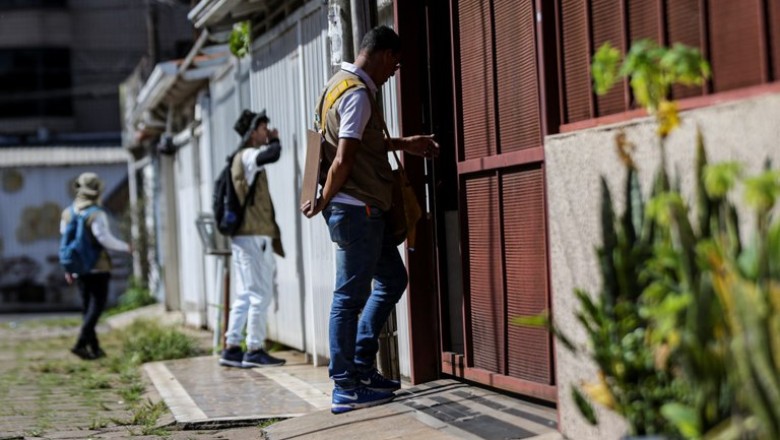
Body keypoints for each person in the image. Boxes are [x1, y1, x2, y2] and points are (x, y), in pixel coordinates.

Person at [300, 25, 440, 414]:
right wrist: (324, 200)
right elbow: (343, 158)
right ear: (380, 54)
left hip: (359, 207)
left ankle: (361, 364)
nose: (395, 71)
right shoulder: (358, 96)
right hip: (355, 209)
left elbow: (355, 146)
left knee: (393, 279)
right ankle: (345, 384)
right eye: (394, 62)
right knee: (348, 297)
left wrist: (404, 143)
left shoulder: (335, 87)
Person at [219, 109, 287, 368]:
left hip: (243, 237)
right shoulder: (248, 155)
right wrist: (275, 140)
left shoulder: (238, 157)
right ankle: (254, 349)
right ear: (252, 133)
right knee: (260, 293)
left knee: (245, 293)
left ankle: (232, 347)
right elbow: (273, 154)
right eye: (262, 128)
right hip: (254, 234)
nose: (266, 130)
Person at [60, 172, 131, 360]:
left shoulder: (67, 213)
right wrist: (126, 247)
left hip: (79, 267)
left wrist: (69, 268)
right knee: (97, 307)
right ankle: (81, 343)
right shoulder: (96, 213)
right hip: (98, 267)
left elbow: (65, 240)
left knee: (87, 308)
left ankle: (95, 349)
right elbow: (104, 239)